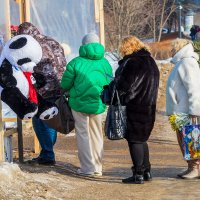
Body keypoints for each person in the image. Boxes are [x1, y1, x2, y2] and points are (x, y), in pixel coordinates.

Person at [61, 33, 112, 177]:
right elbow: (110, 82)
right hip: (98, 103)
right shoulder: (105, 63)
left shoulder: (75, 63)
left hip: (78, 103)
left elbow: (65, 84)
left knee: (83, 134)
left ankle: (87, 168)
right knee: (97, 133)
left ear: (83, 45)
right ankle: (98, 167)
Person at [17, 22, 66, 165]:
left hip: (45, 86)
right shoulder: (51, 40)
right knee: (51, 119)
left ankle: (48, 154)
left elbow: (40, 68)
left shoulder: (32, 45)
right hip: (60, 83)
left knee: (40, 121)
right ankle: (47, 151)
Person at [112, 36, 159, 184]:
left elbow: (125, 86)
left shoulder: (132, 62)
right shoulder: (150, 61)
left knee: (134, 140)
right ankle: (146, 171)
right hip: (149, 105)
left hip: (134, 106)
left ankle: (138, 173)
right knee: (142, 139)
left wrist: (115, 86)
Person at [166, 38, 200, 179]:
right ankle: (191, 166)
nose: (171, 50)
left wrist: (194, 110)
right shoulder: (182, 63)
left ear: (179, 48)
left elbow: (194, 88)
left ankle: (195, 168)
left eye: (173, 47)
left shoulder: (187, 63)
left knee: (191, 139)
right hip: (181, 111)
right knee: (185, 140)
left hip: (187, 111)